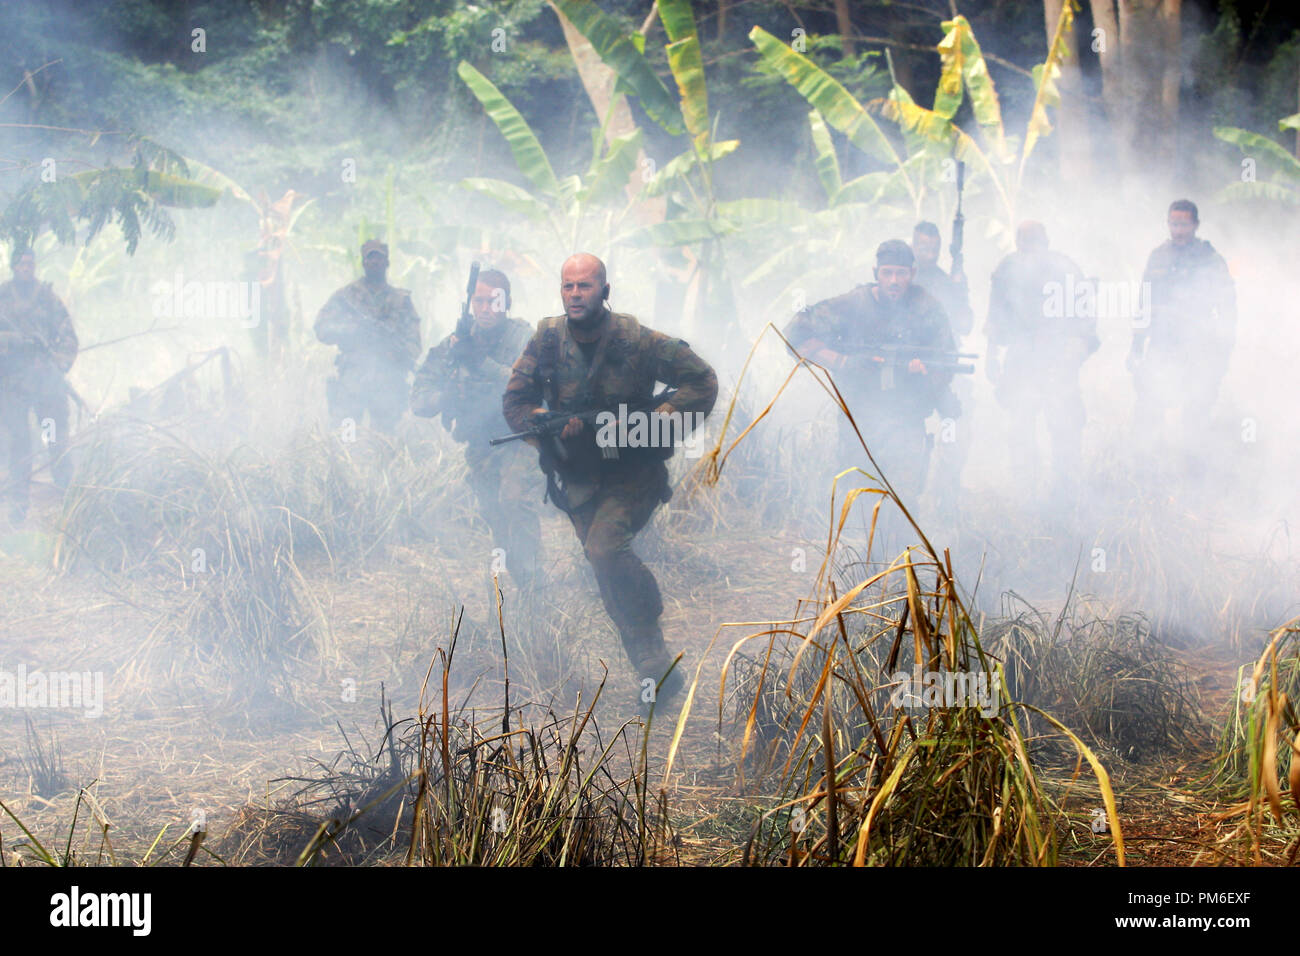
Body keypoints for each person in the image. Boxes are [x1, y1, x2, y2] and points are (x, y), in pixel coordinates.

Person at [502, 253, 717, 709]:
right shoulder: (546, 338)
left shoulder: (635, 339)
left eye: (584, 286)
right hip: (578, 478)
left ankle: (653, 648)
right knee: (605, 572)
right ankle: (655, 672)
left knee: (604, 549)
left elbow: (702, 380)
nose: (575, 294)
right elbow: (515, 402)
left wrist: (654, 422)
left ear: (604, 290)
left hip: (632, 472)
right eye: (568, 286)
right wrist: (547, 424)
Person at [784, 239, 959, 502]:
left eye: (901, 273)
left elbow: (947, 361)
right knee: (861, 499)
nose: (894, 280)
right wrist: (841, 361)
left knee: (904, 500)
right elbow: (795, 334)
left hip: (907, 418)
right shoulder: (853, 304)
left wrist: (923, 375)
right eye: (887, 272)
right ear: (875, 273)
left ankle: (900, 543)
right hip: (859, 420)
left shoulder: (927, 307)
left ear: (912, 273)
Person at [411, 268, 542, 589]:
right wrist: (447, 392)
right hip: (481, 446)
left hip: (520, 439)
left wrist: (479, 362)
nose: (486, 308)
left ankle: (535, 586)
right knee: (495, 513)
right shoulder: (454, 344)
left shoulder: (520, 337)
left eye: (493, 301)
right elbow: (418, 401)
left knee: (514, 501)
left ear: (507, 303)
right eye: (479, 301)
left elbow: (530, 383)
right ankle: (522, 580)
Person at [986, 221, 1097, 502]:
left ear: (1046, 242)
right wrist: (991, 355)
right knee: (1020, 427)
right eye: (1025, 241)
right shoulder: (1006, 269)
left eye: (1035, 241)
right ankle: (1026, 493)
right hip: (1021, 361)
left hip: (1057, 359)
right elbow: (995, 318)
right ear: (1018, 243)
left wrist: (1075, 351)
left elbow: (1085, 320)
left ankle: (1065, 492)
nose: (1030, 247)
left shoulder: (1066, 268)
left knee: (1065, 426)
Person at [1127, 199, 1235, 455]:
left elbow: (1228, 307)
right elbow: (1145, 302)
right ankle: (1148, 468)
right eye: (1173, 223)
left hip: (1198, 347)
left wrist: (1223, 350)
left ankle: (1193, 472)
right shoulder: (1158, 256)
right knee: (1150, 407)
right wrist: (1136, 345)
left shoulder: (1210, 259)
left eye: (1184, 224)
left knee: (1195, 412)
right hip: (1162, 345)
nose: (1178, 230)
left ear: (1196, 225)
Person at [0, 246, 78, 523]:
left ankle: (69, 503)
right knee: (19, 446)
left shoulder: (48, 299)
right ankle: (17, 510)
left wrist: (55, 363)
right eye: (21, 263)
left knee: (55, 440)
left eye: (30, 263)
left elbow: (68, 338)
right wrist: (14, 343)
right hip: (13, 387)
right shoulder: (3, 297)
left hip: (46, 386)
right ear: (13, 266)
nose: (26, 267)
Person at [314, 239, 421, 433]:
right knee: (345, 435)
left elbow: (414, 342)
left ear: (387, 263)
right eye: (370, 258)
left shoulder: (401, 301)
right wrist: (352, 331)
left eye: (379, 259)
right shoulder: (346, 297)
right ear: (363, 262)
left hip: (388, 381)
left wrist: (398, 356)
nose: (375, 263)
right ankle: (344, 464)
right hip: (352, 378)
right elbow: (321, 328)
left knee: (385, 438)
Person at [911, 221, 973, 518]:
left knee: (955, 433)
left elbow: (965, 323)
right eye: (923, 247)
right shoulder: (904, 280)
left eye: (934, 248)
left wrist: (960, 285)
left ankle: (947, 501)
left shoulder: (946, 280)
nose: (929, 253)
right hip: (912, 370)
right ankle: (914, 498)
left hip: (945, 366)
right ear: (913, 246)